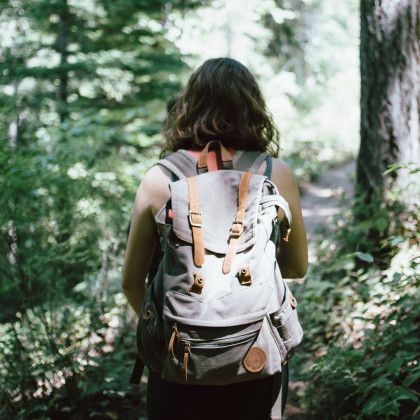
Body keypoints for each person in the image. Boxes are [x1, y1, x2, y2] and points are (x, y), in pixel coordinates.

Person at [121, 57, 308, 420]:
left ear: (189, 107)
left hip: (178, 363)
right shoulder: (275, 173)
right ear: (252, 108)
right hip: (256, 357)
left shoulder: (159, 179)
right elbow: (296, 267)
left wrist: (172, 331)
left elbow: (131, 282)